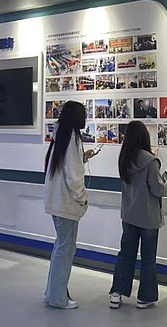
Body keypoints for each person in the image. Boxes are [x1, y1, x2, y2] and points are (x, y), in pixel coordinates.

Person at [43, 101, 100, 309]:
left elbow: (65, 166)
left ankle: (53, 292)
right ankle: (57, 297)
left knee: (60, 248)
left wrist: (82, 157)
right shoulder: (72, 138)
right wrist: (82, 198)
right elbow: (73, 177)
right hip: (66, 204)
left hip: (56, 202)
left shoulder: (60, 136)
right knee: (65, 250)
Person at [109, 121, 167, 310]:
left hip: (129, 215)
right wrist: (166, 182)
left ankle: (116, 293)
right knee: (148, 259)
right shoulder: (151, 162)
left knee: (126, 255)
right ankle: (145, 297)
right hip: (148, 217)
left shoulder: (125, 158)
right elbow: (158, 189)